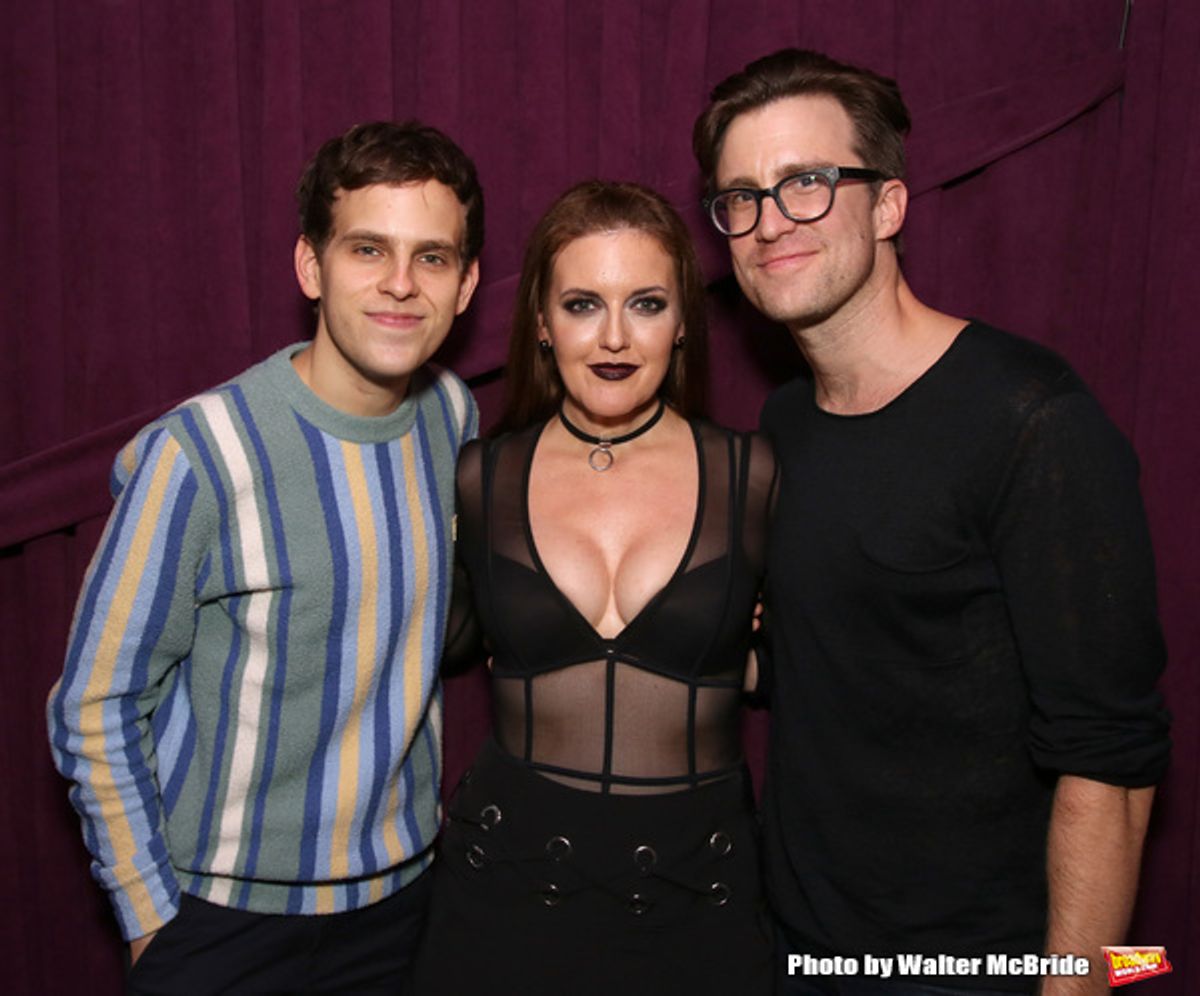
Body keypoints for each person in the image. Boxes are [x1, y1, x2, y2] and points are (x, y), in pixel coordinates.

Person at [692, 49, 1170, 995]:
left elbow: (1110, 763)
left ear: (890, 205)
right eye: (741, 196)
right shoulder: (785, 422)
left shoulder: (1033, 420)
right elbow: (832, 660)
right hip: (794, 942)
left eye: (808, 184)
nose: (769, 221)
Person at [46, 120, 482, 995]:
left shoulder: (452, 418)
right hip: (221, 924)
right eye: (368, 249)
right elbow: (95, 703)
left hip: (400, 908)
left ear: (468, 285)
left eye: (432, 258)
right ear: (311, 268)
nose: (401, 284)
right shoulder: (201, 453)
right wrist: (150, 921)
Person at [413, 180, 776, 995]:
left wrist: (747, 654)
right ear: (541, 323)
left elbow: (816, 664)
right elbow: (430, 642)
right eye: (582, 304)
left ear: (684, 320)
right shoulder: (483, 475)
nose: (614, 336)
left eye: (646, 303)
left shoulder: (753, 473)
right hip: (502, 888)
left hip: (697, 899)